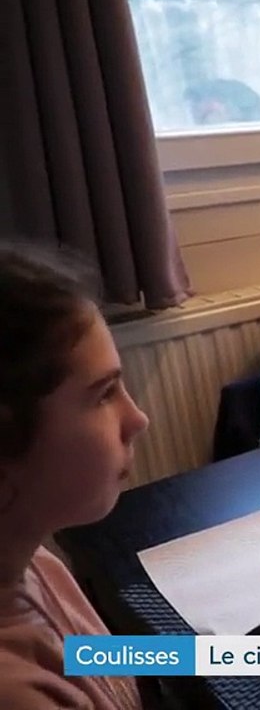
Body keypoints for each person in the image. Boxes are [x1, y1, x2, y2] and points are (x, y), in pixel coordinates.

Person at [0, 245, 148, 708]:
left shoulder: (35, 561)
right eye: (104, 394)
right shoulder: (22, 695)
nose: (138, 418)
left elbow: (95, 657)